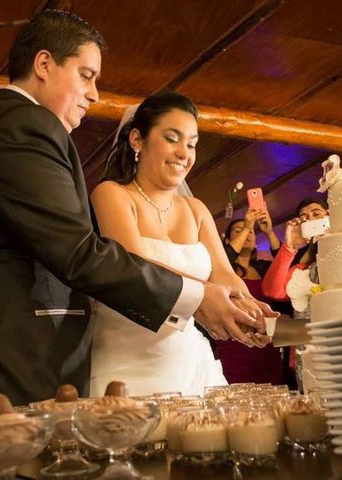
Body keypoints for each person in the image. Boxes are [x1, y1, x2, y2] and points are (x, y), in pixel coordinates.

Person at [0, 10, 268, 414]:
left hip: (14, 353)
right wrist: (194, 297)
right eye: (86, 75)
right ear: (45, 64)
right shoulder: (22, 126)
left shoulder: (9, 124)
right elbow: (77, 252)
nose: (95, 94)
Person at [89, 91, 275, 396]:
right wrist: (205, 295)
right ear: (137, 140)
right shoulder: (113, 194)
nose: (184, 153)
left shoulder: (196, 209)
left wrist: (250, 308)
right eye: (172, 138)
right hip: (127, 364)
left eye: (191, 144)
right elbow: (133, 264)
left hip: (190, 363)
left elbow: (223, 274)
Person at [214, 209, 290, 385]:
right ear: (227, 241)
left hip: (265, 349)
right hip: (233, 346)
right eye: (238, 230)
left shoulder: (264, 268)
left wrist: (269, 232)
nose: (246, 233)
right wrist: (249, 225)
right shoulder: (222, 271)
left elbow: (284, 262)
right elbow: (223, 258)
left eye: (249, 231)